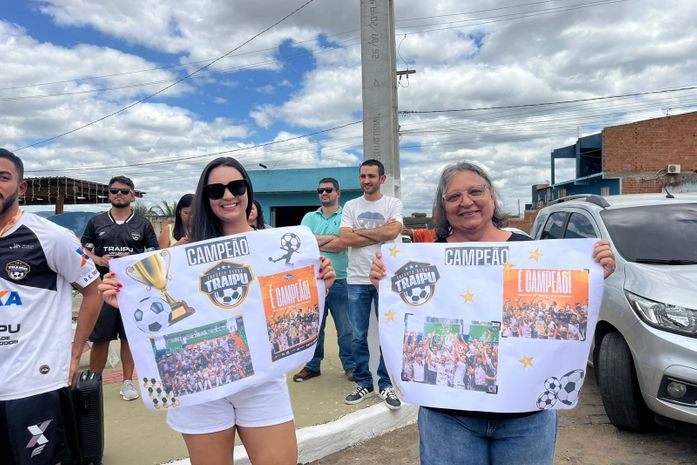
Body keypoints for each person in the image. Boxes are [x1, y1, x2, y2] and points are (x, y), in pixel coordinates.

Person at [369, 161, 616, 465]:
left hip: (526, 415)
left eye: (475, 192)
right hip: (448, 417)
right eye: (454, 196)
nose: (466, 202)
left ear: (491, 196)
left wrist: (593, 276)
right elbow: (404, 321)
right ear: (443, 207)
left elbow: (566, 314)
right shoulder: (424, 258)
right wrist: (385, 284)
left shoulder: (528, 251)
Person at [98, 156, 336, 465]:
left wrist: (319, 284)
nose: (227, 195)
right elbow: (160, 304)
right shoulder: (180, 256)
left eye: (236, 187)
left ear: (247, 191)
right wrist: (126, 298)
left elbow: (289, 300)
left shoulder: (274, 247)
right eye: (215, 190)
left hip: (262, 382)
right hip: (200, 391)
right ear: (205, 197)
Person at [0, 148, 102, 465]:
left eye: (3, 177)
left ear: (21, 187)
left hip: (32, 387)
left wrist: (75, 352)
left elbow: (93, 291)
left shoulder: (53, 237)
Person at [81, 175, 159, 401]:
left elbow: (153, 253)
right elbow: (82, 250)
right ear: (109, 194)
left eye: (124, 191)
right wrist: (98, 259)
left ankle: (127, 382)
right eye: (114, 191)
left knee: (128, 337)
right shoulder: (96, 222)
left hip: (132, 290)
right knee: (100, 338)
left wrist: (131, 259)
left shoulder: (143, 224)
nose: (119, 194)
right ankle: (93, 383)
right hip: (104, 288)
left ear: (132, 195)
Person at [340, 159, 403, 409]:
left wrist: (358, 233)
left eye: (371, 176)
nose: (366, 181)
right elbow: (345, 239)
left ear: (382, 179)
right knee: (358, 335)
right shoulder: (351, 205)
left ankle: (386, 383)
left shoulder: (392, 204)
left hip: (384, 277)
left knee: (387, 333)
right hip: (356, 279)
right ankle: (364, 382)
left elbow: (392, 233)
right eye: (363, 176)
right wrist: (380, 232)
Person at [293, 177, 355, 382]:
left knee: (346, 329)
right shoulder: (309, 217)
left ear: (338, 193)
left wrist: (317, 240)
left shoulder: (346, 216)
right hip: (314, 282)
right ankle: (312, 366)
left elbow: (344, 243)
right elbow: (303, 243)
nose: (324, 193)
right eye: (320, 191)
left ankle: (350, 365)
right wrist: (333, 239)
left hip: (341, 281)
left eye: (328, 190)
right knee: (314, 329)